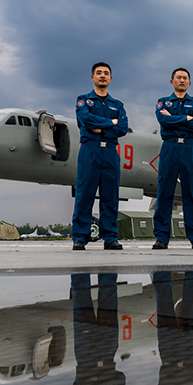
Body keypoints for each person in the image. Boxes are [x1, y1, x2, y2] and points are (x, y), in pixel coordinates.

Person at [71, 62, 129, 251]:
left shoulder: (117, 105)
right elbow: (85, 119)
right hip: (90, 150)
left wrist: (101, 128)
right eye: (99, 73)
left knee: (110, 195)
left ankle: (110, 237)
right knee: (84, 193)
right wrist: (110, 123)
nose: (102, 76)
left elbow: (122, 128)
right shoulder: (83, 100)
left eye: (106, 73)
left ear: (110, 79)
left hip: (111, 152)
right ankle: (80, 237)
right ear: (92, 78)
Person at [70, 273, 125, 385]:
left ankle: (79, 268)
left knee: (81, 299)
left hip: (86, 352)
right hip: (108, 349)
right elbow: (121, 378)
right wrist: (97, 383)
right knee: (109, 299)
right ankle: (108, 269)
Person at [153, 68, 193, 249]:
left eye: (185, 78)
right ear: (172, 82)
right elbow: (163, 121)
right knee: (164, 191)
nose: (181, 80)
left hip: (190, 147)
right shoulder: (163, 102)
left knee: (191, 192)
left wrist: (175, 118)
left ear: (189, 83)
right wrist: (186, 118)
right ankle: (161, 237)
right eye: (178, 78)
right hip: (169, 146)